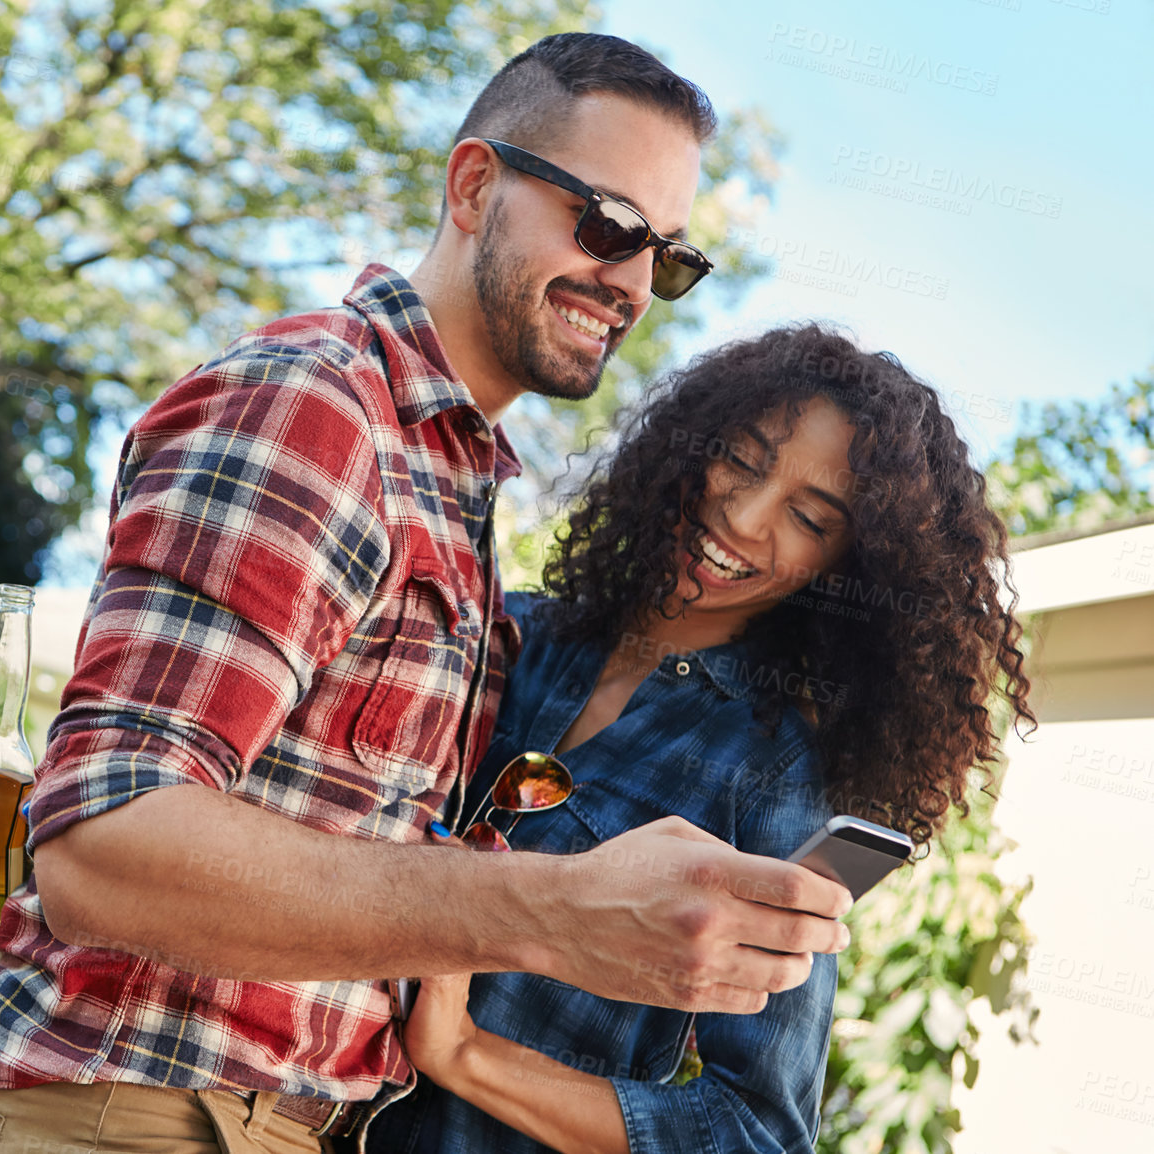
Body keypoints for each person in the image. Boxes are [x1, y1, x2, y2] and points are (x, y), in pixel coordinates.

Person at [0, 35, 853, 1152]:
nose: (634, 283)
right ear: (472, 185)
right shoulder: (321, 408)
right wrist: (553, 913)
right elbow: (108, 846)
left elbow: (219, 811)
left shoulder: (458, 494)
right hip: (137, 1113)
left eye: (668, 257)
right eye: (606, 225)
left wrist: (37, 827)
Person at [368, 324, 1036, 1153]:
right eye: (744, 461)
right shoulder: (508, 633)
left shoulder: (773, 766)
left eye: (808, 517)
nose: (745, 517)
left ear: (847, 564)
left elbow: (752, 1128)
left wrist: (466, 1058)